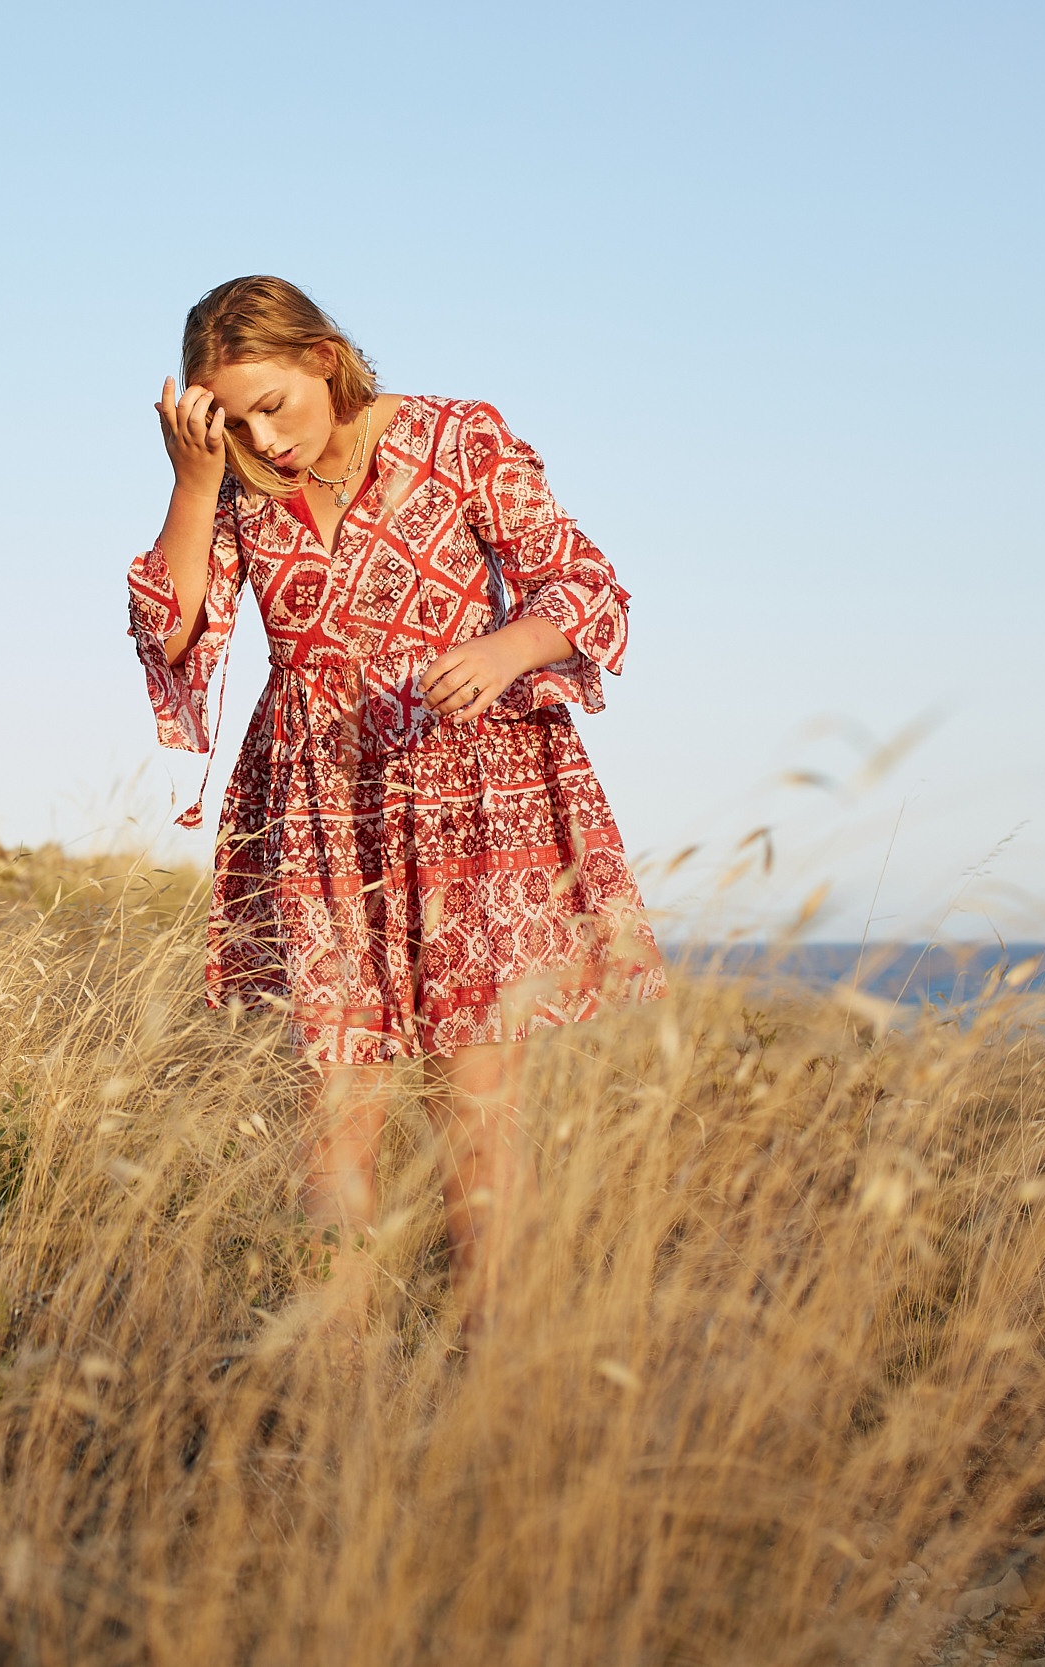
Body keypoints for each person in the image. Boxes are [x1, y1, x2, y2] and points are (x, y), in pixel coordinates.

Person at [125, 275, 665, 1329]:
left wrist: (511, 645)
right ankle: (335, 1413)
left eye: (272, 403)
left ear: (324, 359)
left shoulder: (458, 439)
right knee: (333, 1120)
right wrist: (192, 481)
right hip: (322, 817)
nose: (261, 437)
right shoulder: (230, 486)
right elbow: (173, 635)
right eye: (229, 418)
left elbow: (587, 585)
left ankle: (490, 1397)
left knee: (478, 1122)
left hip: (473, 800)